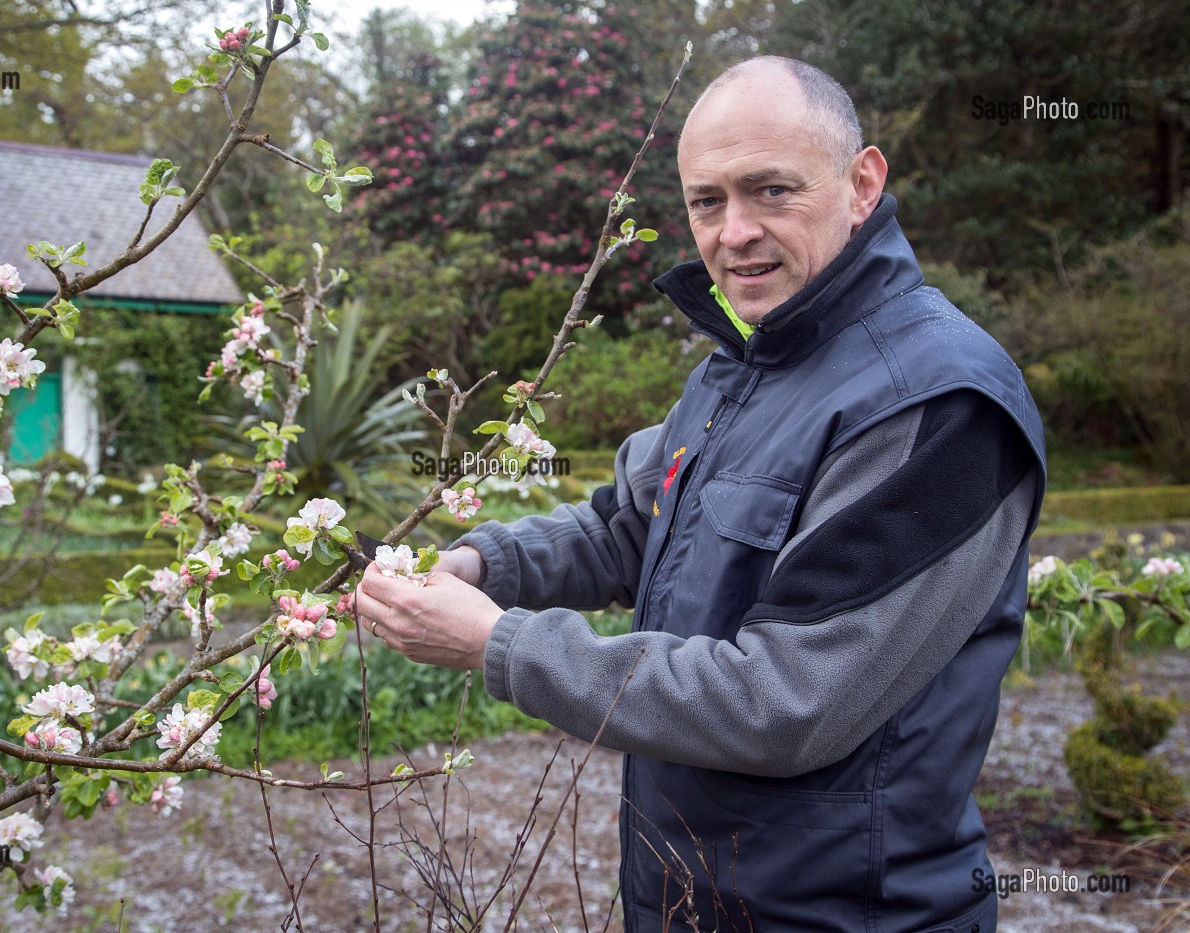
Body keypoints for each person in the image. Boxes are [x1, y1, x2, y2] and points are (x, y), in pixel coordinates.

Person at [355, 55, 1046, 932]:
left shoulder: (940, 403)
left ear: (862, 183)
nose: (734, 233)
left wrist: (500, 642)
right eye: (706, 201)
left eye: (771, 191)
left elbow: (788, 702)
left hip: (844, 916)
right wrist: (480, 562)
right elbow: (625, 529)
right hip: (694, 902)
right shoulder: (744, 364)